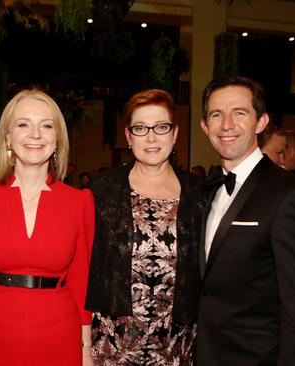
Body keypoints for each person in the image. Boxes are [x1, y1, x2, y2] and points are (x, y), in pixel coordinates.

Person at [0, 89, 94, 366]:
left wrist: (86, 350)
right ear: (8, 137)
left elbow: (81, 283)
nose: (35, 134)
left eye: (46, 125)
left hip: (60, 339)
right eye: (23, 124)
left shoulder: (80, 201)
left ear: (57, 139)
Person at [197, 76, 295, 365]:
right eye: (217, 115)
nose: (227, 124)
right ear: (205, 127)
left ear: (262, 122)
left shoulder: (291, 195)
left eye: (239, 113)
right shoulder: (206, 190)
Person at [85, 89, 204, 365]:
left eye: (161, 127)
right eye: (140, 128)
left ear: (175, 133)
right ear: (128, 136)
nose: (151, 137)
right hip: (112, 346)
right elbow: (84, 272)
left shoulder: (200, 195)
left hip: (177, 346)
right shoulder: (100, 191)